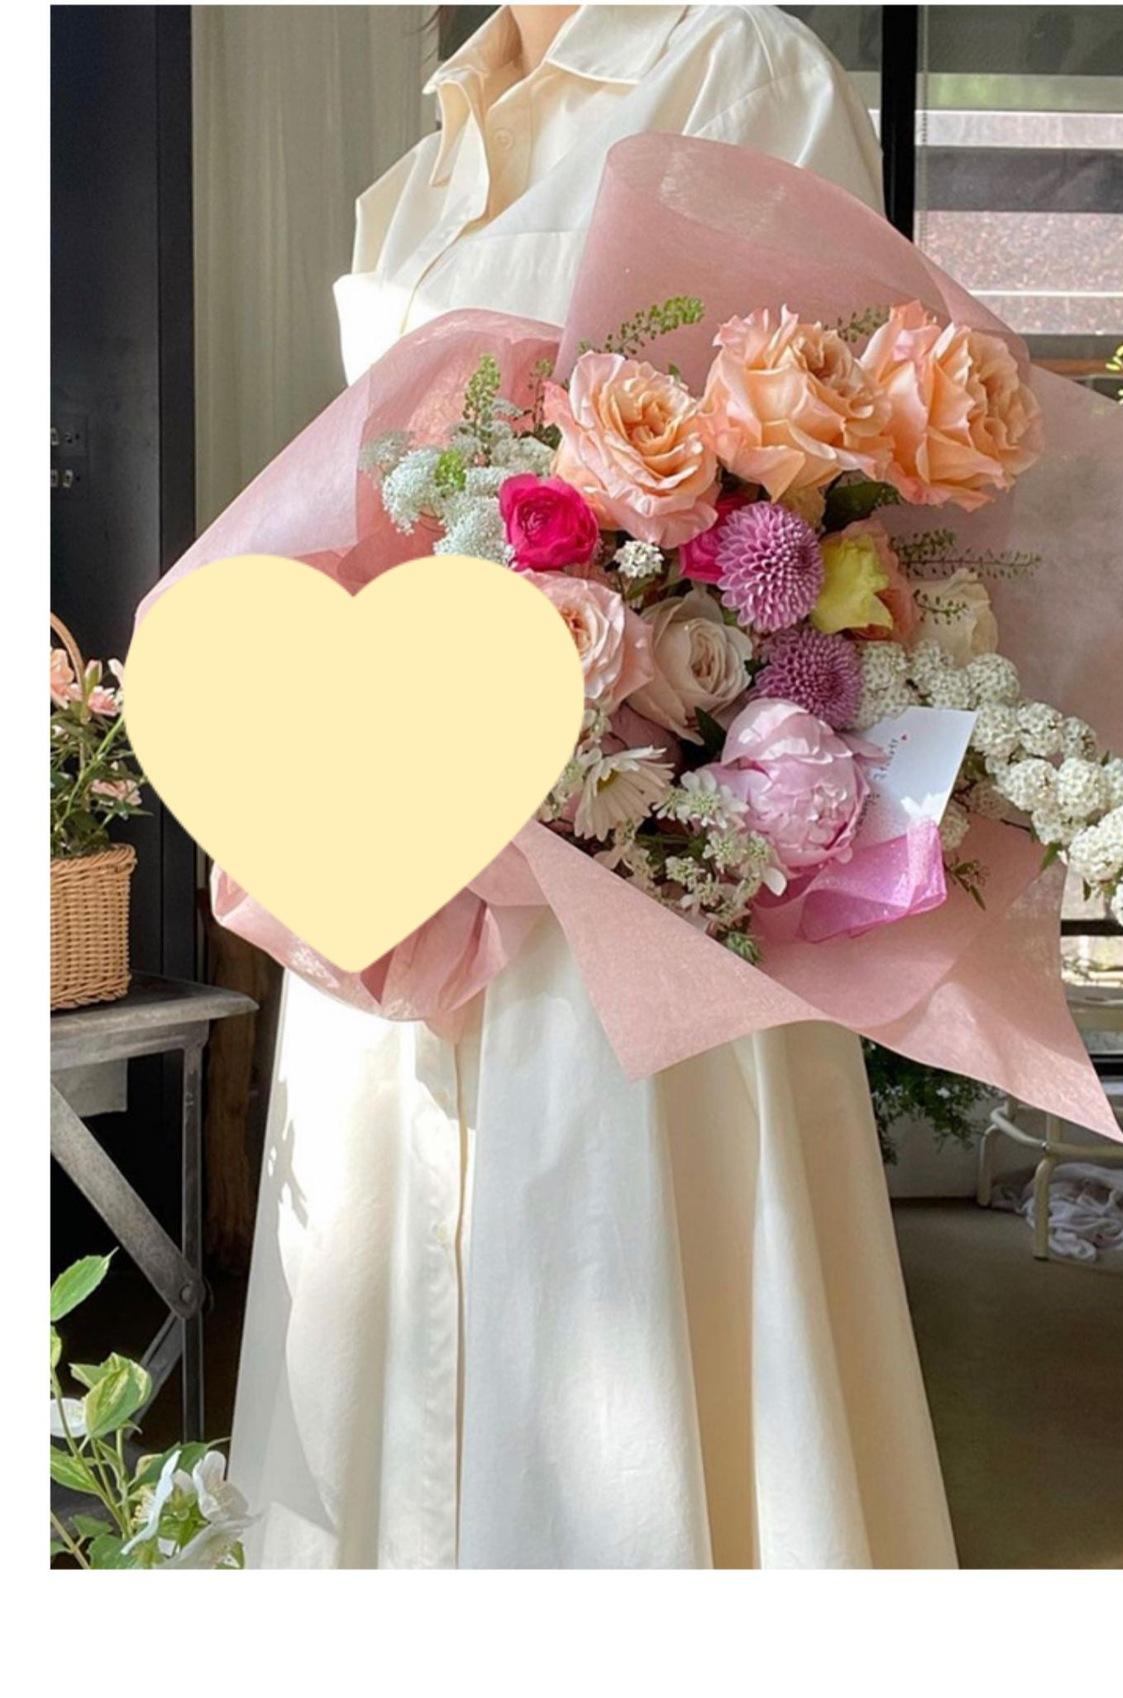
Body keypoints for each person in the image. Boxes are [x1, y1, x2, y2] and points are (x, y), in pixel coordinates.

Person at [230, 4, 958, 1569]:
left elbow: (819, 492)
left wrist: (586, 692)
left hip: (618, 869)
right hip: (396, 834)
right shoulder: (424, 157)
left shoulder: (735, 65)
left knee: (616, 1298)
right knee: (379, 1300)